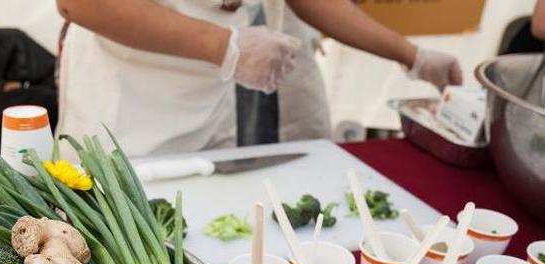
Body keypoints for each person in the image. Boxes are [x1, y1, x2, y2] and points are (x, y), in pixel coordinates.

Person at [55, 0, 462, 156]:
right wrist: (225, 46)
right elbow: (82, 3)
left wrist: (414, 56)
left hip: (208, 101)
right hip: (123, 100)